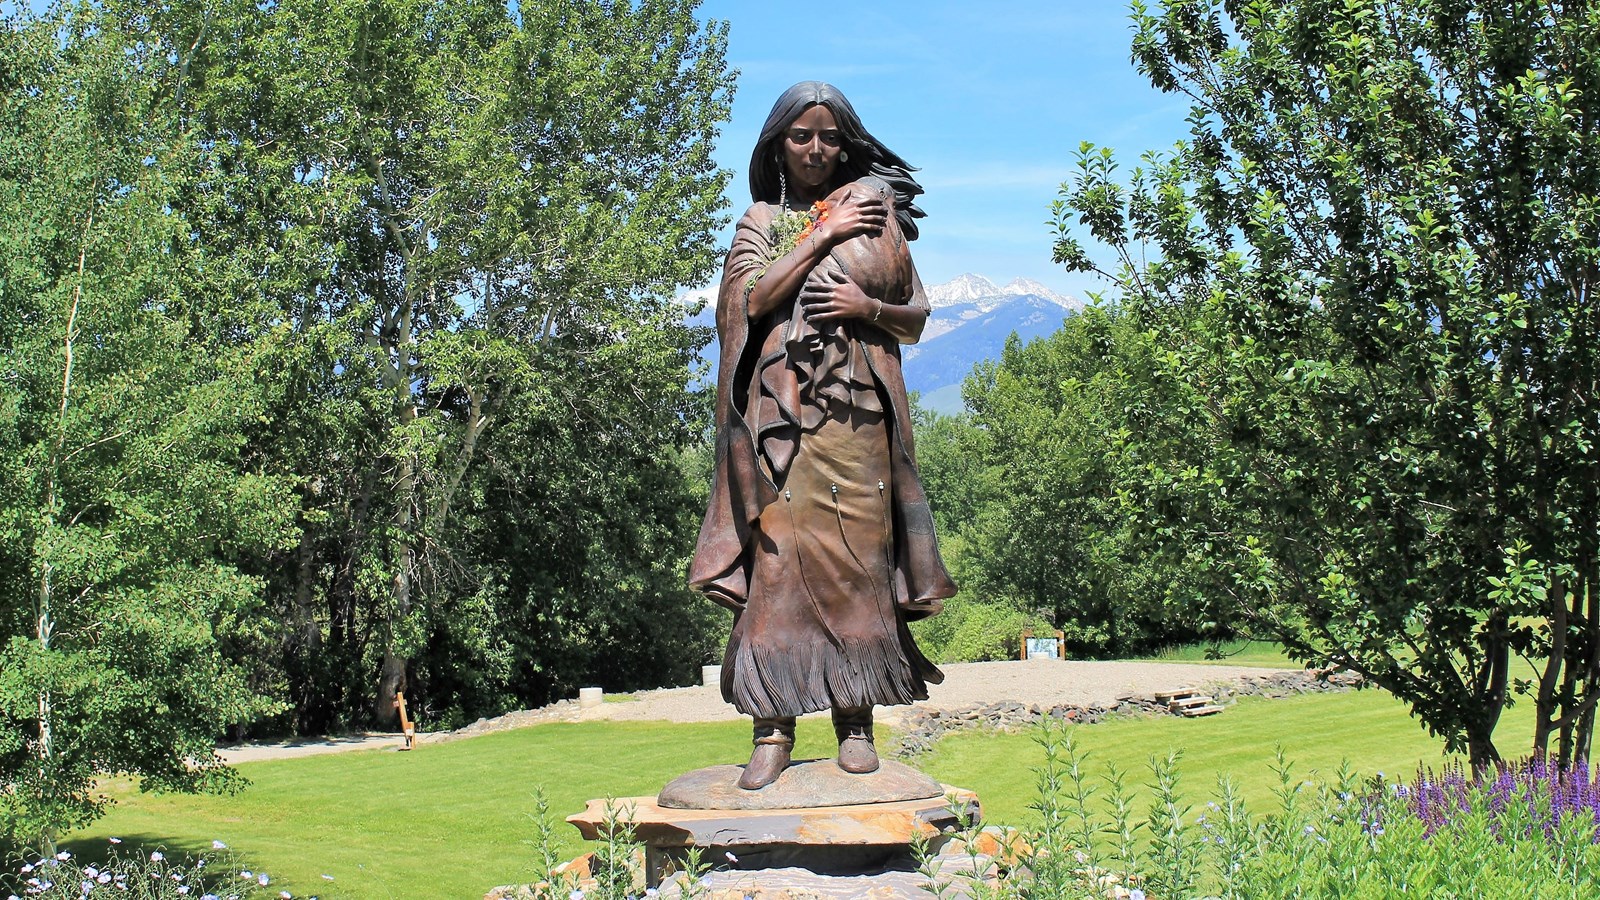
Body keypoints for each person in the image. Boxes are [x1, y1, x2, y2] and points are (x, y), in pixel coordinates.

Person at [688, 81, 957, 790]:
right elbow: (750, 302)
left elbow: (916, 315)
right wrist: (825, 236)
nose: (815, 148)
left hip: (858, 417)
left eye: (829, 136)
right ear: (778, 143)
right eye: (801, 135)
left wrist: (866, 303)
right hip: (784, 419)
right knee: (778, 567)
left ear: (846, 143)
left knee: (861, 563)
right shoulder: (763, 218)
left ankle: (855, 718)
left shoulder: (877, 217)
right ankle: (772, 726)